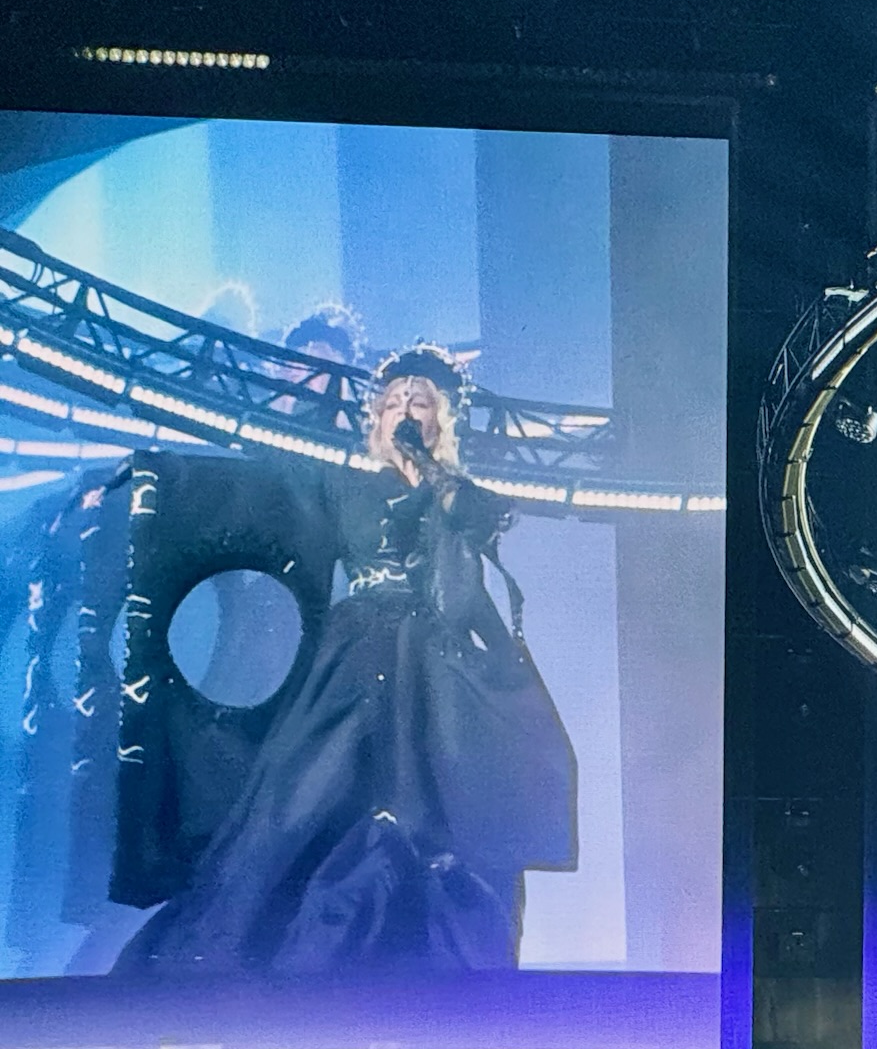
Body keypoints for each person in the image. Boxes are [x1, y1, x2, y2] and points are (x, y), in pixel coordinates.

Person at [116, 345, 576, 974]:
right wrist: (163, 476)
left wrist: (435, 484)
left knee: (441, 806)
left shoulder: (454, 495)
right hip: (356, 655)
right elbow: (260, 496)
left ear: (439, 419)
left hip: (431, 666)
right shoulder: (346, 484)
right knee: (307, 796)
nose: (405, 411)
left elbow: (468, 578)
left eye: (419, 403)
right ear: (376, 420)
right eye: (393, 404)